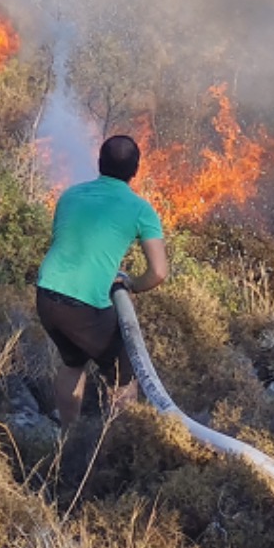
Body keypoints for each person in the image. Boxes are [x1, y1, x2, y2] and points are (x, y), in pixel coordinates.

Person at [36, 134, 171, 426]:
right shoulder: (140, 209)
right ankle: (117, 445)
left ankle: (68, 437)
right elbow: (158, 272)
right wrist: (132, 284)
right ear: (136, 170)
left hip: (46, 294)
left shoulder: (70, 194)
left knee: (73, 362)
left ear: (99, 162)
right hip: (83, 305)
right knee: (124, 373)